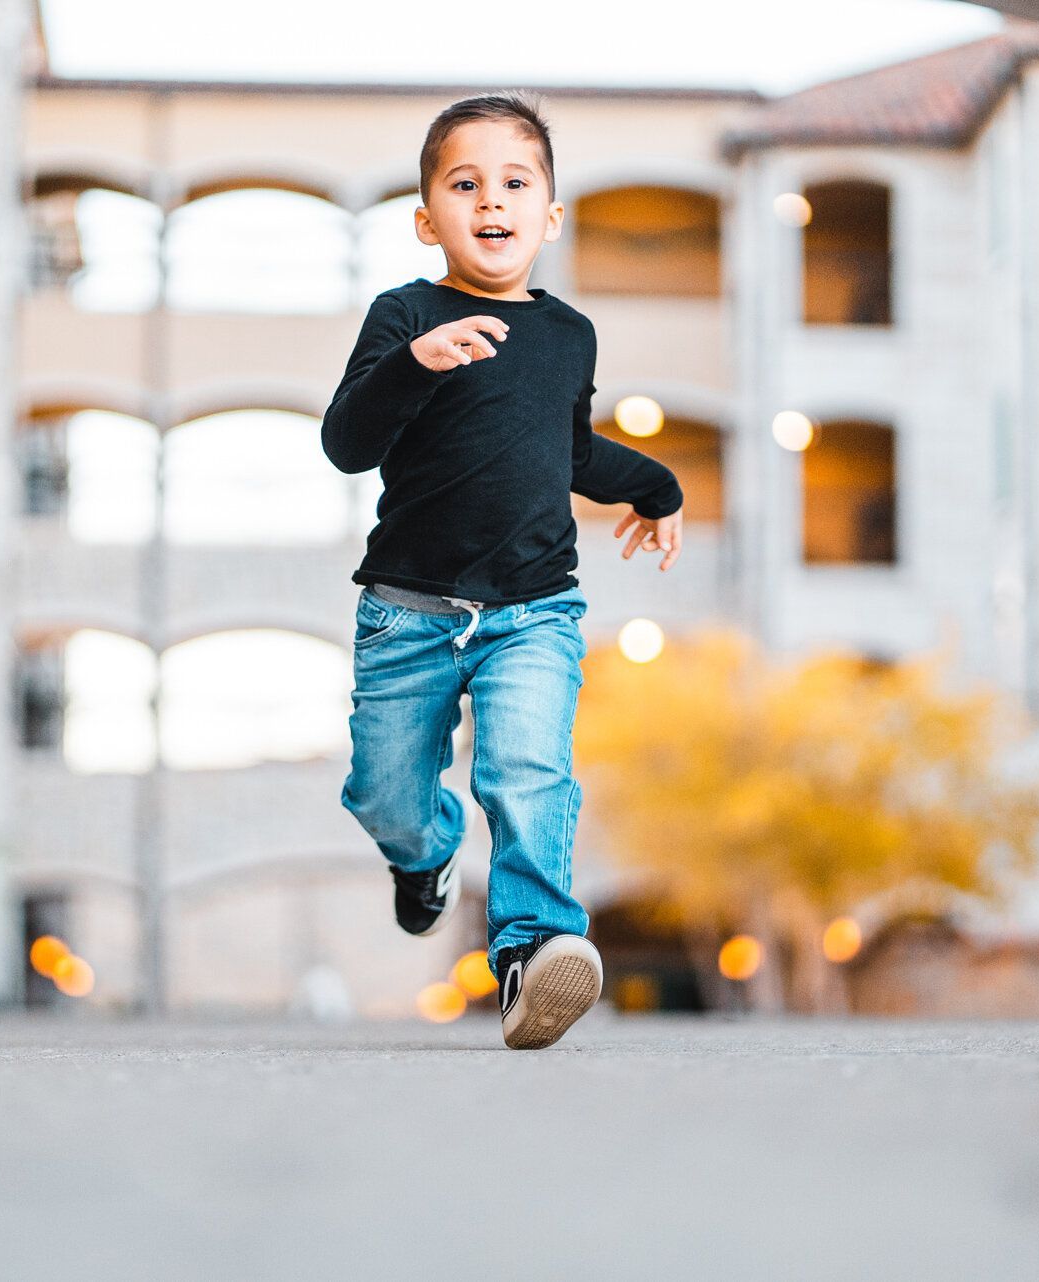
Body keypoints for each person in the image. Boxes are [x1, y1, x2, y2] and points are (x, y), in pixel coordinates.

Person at [320, 91, 684, 1049]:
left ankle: (532, 951)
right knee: (384, 793)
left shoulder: (568, 334)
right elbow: (347, 444)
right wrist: (414, 363)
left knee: (529, 772)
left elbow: (570, 455)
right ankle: (425, 855)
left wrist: (655, 485)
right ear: (427, 217)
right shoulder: (405, 314)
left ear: (550, 215)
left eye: (515, 182)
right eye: (466, 183)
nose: (492, 200)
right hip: (408, 616)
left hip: (535, 612)